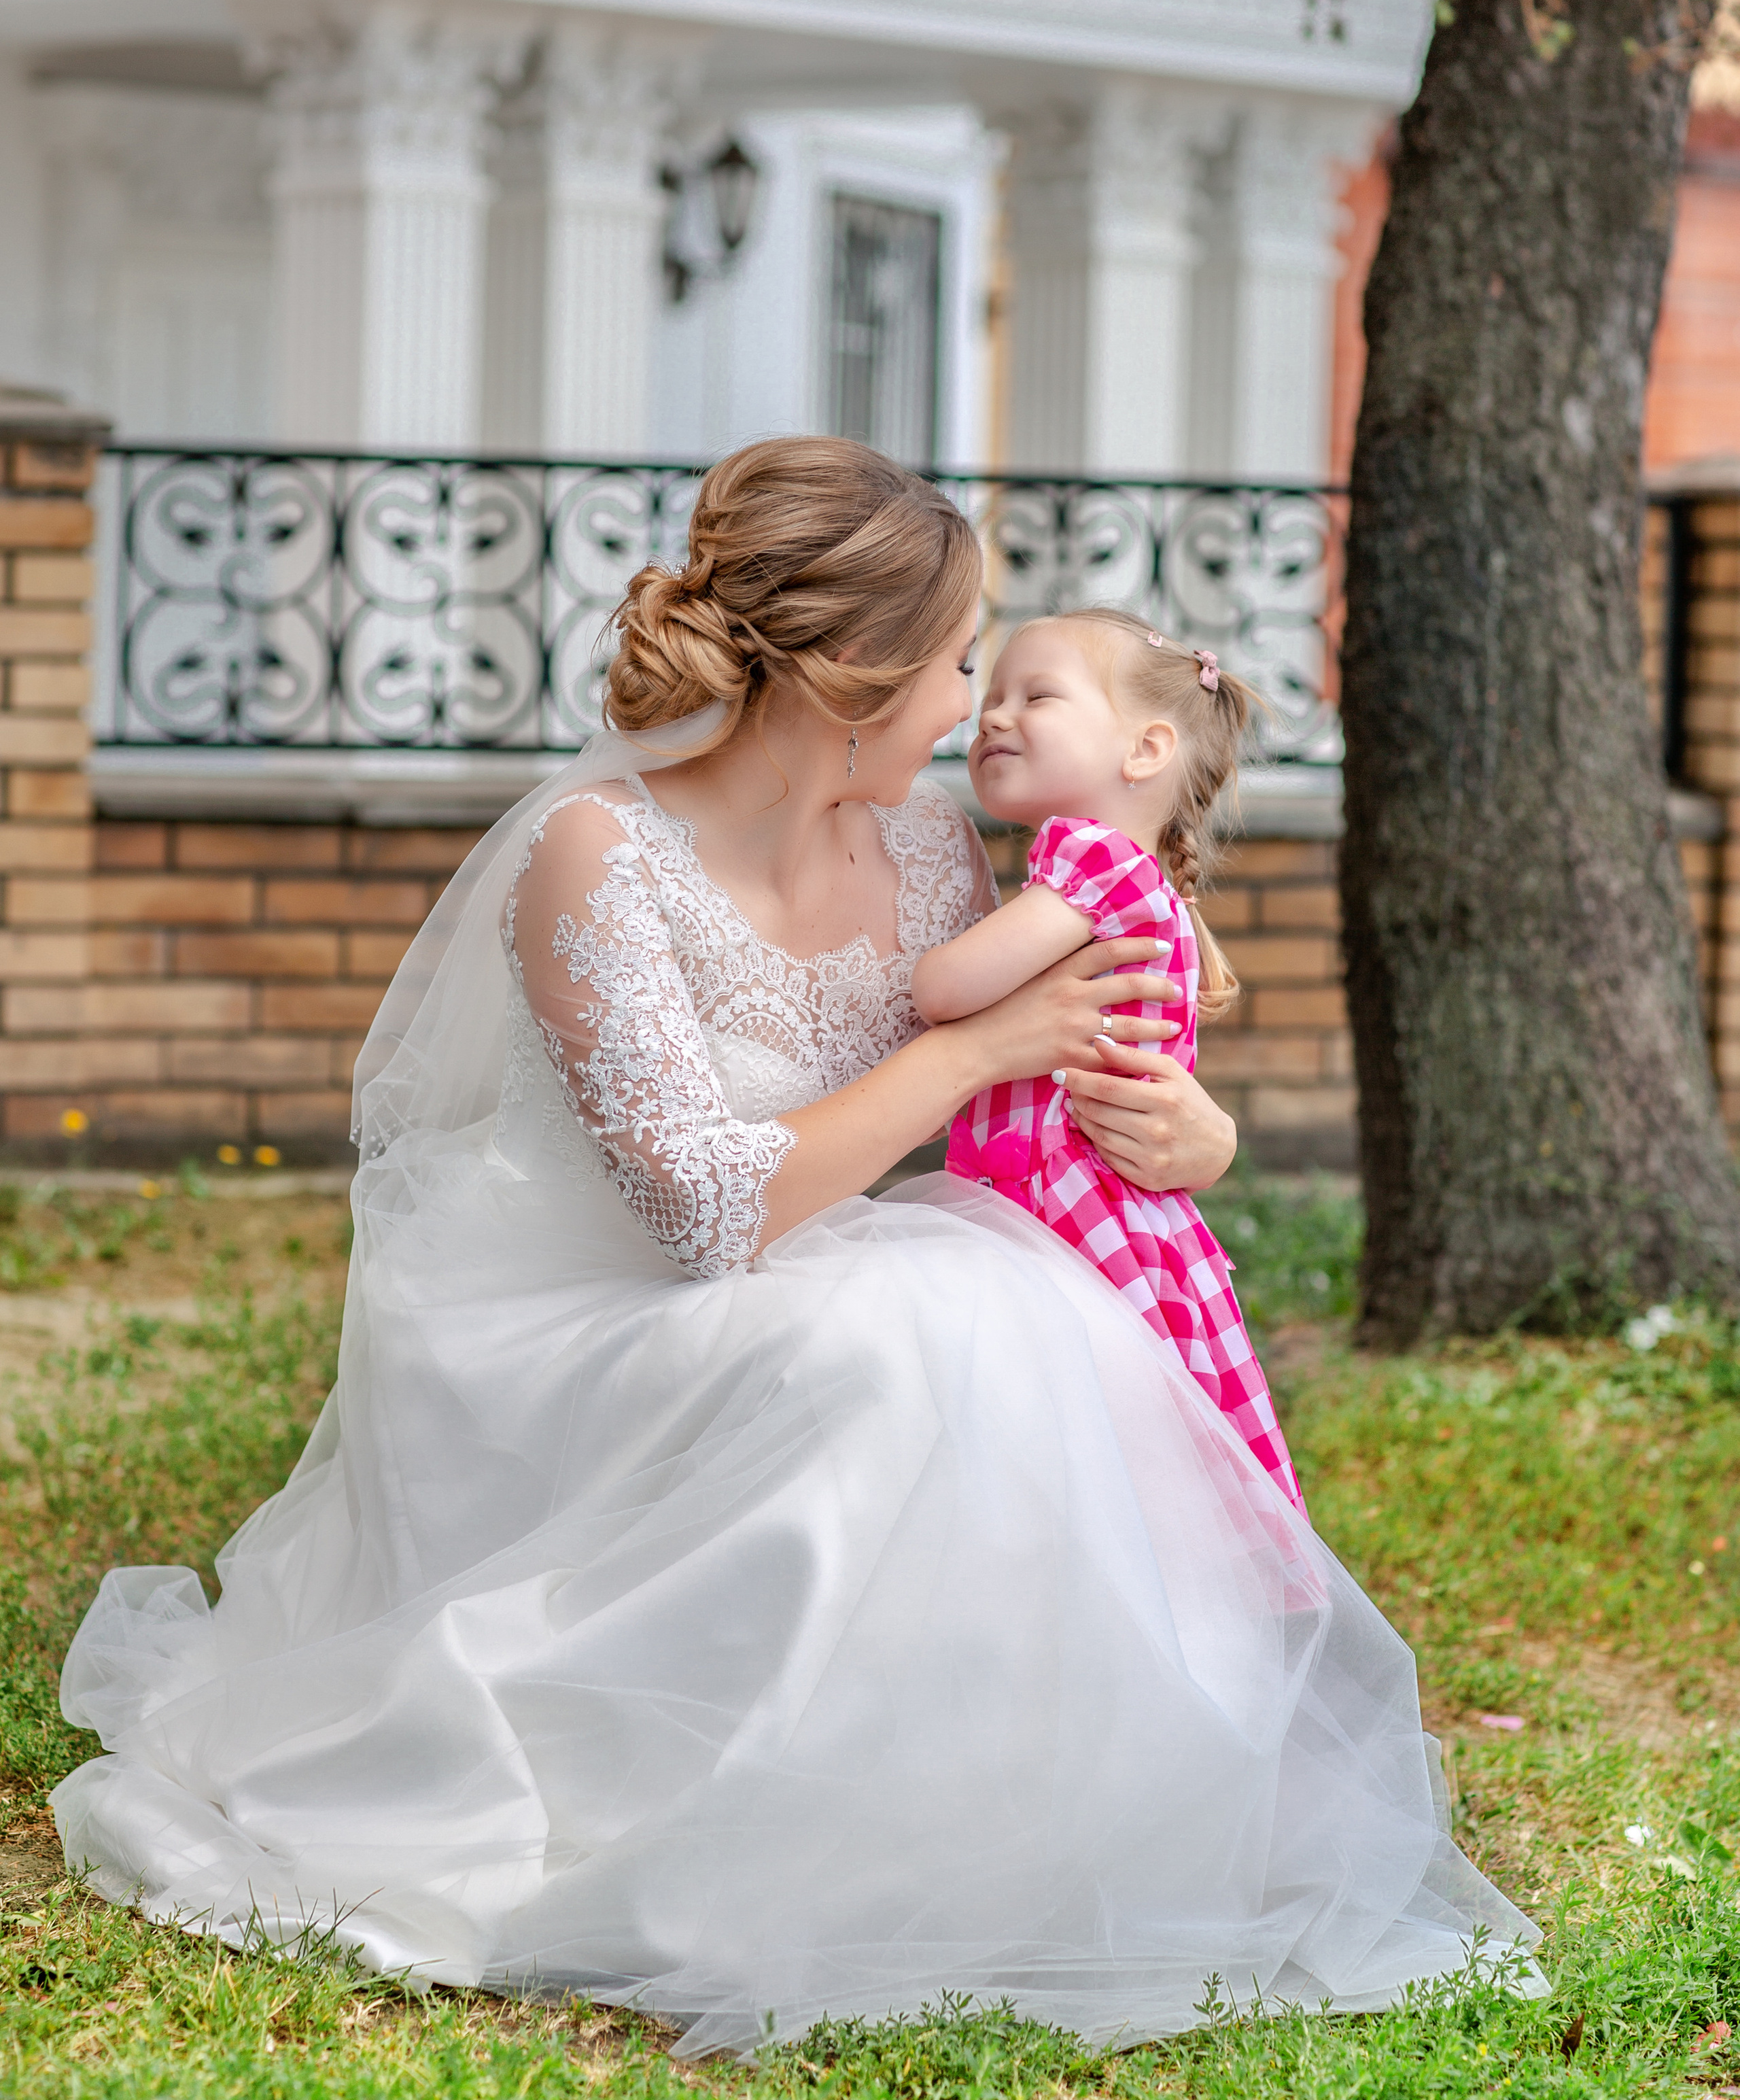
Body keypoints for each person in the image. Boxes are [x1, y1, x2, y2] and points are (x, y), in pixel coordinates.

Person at [51, 438, 1541, 2056]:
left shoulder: (924, 855)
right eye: (959, 660)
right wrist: (970, 1055)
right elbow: (701, 1218)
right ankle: (718, 1804)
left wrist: (1202, 1134)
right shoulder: (594, 860)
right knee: (889, 1348)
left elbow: (1063, 1074)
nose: (974, 702)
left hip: (825, 1246)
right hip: (580, 1312)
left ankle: (988, 1803)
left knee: (1021, 1329)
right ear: (854, 676)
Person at [914, 610, 1302, 1509]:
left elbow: (944, 988)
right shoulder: (1138, 881)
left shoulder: (1094, 866)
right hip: (1105, 1197)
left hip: (1068, 1198)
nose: (992, 717)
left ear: (1145, 749)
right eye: (991, 694)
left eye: (1035, 695)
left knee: (1069, 1431)